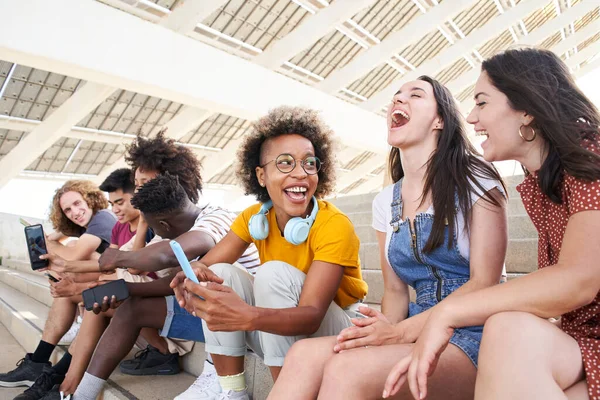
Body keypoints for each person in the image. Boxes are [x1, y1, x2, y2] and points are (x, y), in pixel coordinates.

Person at [269, 76, 508, 400]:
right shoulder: (385, 202)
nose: (399, 100)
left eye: (416, 95)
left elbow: (485, 284)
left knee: (348, 368)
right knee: (302, 356)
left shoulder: (475, 178)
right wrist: (382, 332)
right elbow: (395, 294)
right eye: (396, 95)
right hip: (413, 322)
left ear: (440, 119)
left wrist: (397, 333)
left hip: (478, 331)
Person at [381, 48, 600, 400]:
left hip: (583, 342)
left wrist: (447, 313)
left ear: (526, 108)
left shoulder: (591, 158)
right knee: (511, 332)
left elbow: (578, 280)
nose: (470, 117)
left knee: (509, 331)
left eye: (482, 103)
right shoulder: (542, 183)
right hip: (581, 340)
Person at [162, 106, 369, 400]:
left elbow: (311, 316)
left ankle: (289, 393)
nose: (301, 172)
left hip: (341, 332)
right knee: (219, 275)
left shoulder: (334, 225)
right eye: (285, 163)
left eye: (310, 163)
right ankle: (233, 393)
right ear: (261, 175)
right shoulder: (253, 218)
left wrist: (249, 317)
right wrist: (190, 276)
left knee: (272, 273)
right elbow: (208, 266)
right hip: (281, 331)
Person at [68, 173, 259, 400]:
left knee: (216, 276)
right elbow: (176, 279)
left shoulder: (215, 220)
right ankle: (82, 396)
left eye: (154, 228)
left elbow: (168, 255)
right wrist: (127, 291)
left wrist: (119, 257)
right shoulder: (188, 227)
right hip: (220, 315)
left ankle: (217, 372)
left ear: (163, 224)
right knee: (132, 308)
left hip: (251, 320)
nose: (156, 235)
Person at [0, 180, 116, 392]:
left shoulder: (103, 218)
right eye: (67, 210)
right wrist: (53, 236)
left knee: (74, 254)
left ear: (90, 200)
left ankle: (40, 361)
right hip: (107, 286)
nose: (75, 212)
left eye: (78, 203)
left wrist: (48, 243)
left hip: (121, 288)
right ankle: (38, 361)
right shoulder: (88, 226)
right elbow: (63, 247)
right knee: (66, 275)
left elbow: (73, 257)